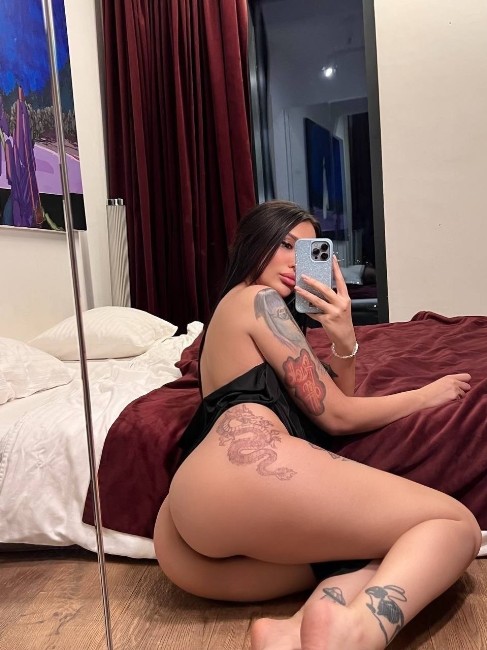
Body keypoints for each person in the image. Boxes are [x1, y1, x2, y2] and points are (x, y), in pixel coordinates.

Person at [153, 200, 481, 649]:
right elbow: (339, 416)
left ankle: (293, 632)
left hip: (186, 529)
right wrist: (425, 395)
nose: (296, 262)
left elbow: (331, 400)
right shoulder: (258, 300)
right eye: (286, 245)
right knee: (455, 523)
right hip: (244, 472)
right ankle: (361, 632)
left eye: (309, 252)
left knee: (371, 550)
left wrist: (343, 339)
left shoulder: (235, 313)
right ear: (254, 243)